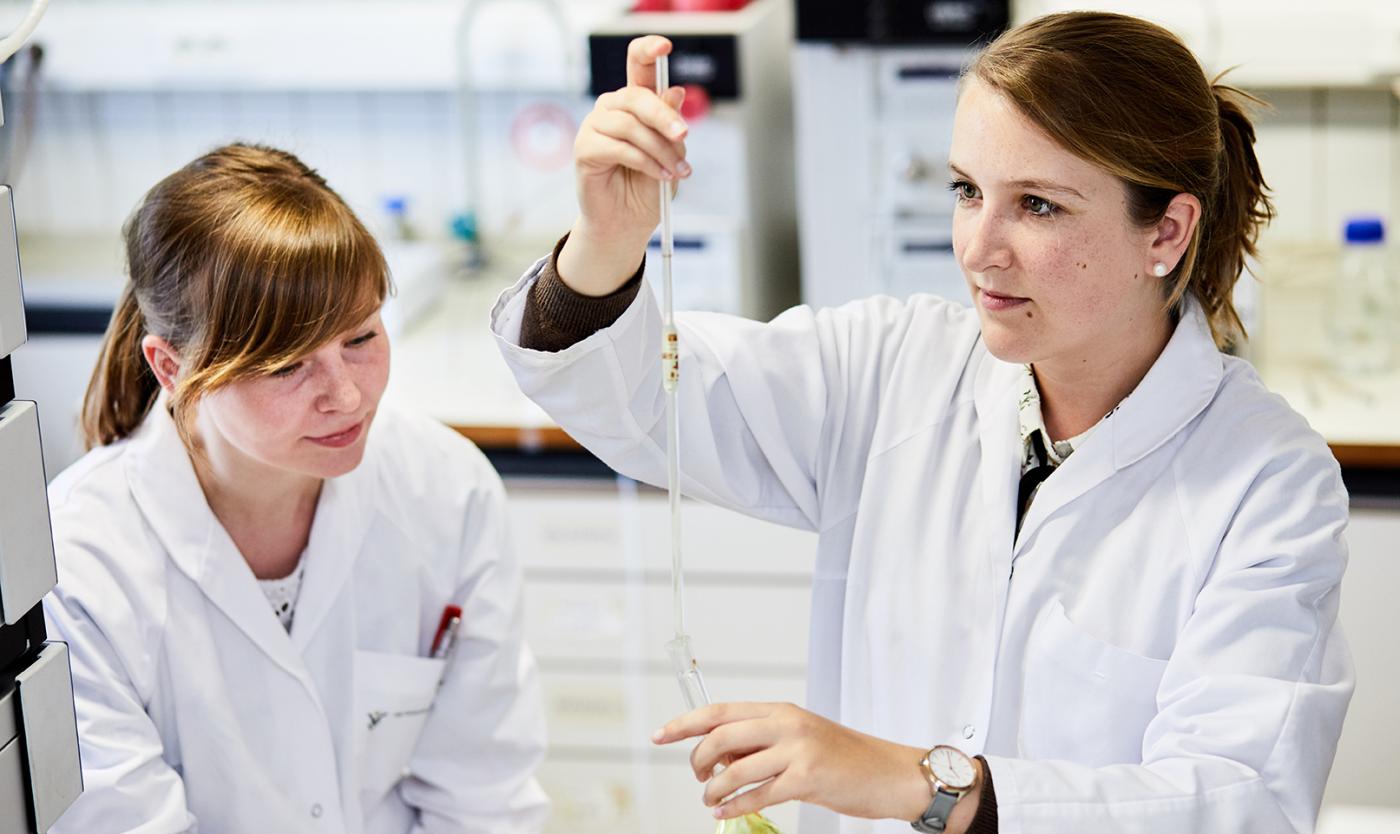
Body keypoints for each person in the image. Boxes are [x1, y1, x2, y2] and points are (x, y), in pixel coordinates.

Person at [490, 13, 1352, 834]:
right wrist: (607, 244)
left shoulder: (1266, 480)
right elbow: (640, 396)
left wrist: (922, 782)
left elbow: (1237, 802)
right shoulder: (891, 368)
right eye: (968, 190)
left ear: (1166, 229)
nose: (980, 247)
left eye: (1039, 205)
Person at [46, 144, 548, 834]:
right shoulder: (78, 564)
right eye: (285, 368)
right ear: (169, 366)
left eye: (362, 337)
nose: (346, 395)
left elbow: (485, 796)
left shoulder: (445, 489)